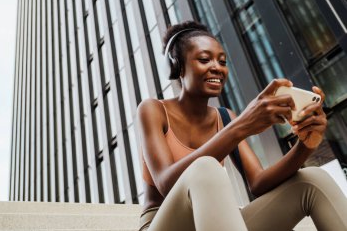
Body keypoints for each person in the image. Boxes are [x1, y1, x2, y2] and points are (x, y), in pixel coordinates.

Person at [136, 21, 347, 231]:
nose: (217, 68)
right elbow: (166, 184)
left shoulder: (224, 117)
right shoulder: (153, 110)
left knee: (312, 179)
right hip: (163, 225)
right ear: (178, 67)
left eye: (222, 61)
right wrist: (242, 126)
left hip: (214, 222)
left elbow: (259, 182)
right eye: (204, 59)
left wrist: (306, 145)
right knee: (205, 167)